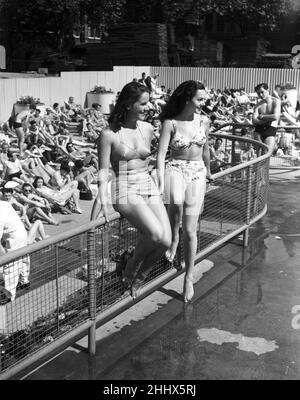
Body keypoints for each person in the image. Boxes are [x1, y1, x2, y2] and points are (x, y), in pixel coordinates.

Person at [93, 81, 171, 299]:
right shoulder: (109, 134)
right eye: (143, 103)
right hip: (124, 187)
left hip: (147, 184)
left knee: (166, 240)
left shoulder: (148, 128)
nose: (148, 107)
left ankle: (140, 276)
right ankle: (131, 268)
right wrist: (104, 202)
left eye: (149, 103)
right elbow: (103, 171)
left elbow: (163, 151)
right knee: (155, 234)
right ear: (128, 104)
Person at [157, 80, 213, 303]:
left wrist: (209, 170)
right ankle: (173, 237)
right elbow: (161, 154)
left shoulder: (204, 121)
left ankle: (188, 277)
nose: (204, 102)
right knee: (176, 202)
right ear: (188, 98)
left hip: (197, 171)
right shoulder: (170, 123)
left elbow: (206, 148)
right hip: (175, 168)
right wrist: (160, 179)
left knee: (191, 229)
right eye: (200, 98)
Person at [0, 201, 30, 304]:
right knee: (23, 258)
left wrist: (5, 259)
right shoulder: (4, 203)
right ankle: (24, 280)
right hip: (21, 233)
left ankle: (9, 298)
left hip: (14, 240)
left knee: (10, 268)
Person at [253, 83, 281, 151]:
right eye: (258, 93)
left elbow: (275, 117)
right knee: (259, 155)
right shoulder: (257, 105)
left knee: (266, 153)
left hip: (270, 130)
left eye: (262, 92)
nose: (261, 95)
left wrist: (262, 116)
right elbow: (254, 121)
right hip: (258, 131)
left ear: (267, 90)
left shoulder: (275, 101)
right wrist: (268, 119)